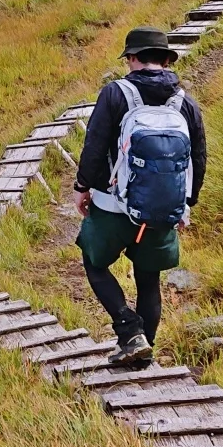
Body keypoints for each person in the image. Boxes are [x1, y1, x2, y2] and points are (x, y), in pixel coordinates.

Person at [72, 26, 206, 366]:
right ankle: (143, 356)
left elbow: (94, 145)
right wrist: (185, 205)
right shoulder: (184, 102)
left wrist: (82, 187)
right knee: (149, 279)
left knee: (94, 263)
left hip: (111, 206)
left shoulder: (115, 93)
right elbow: (198, 157)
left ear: (132, 58)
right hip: (160, 211)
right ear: (165, 60)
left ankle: (129, 331)